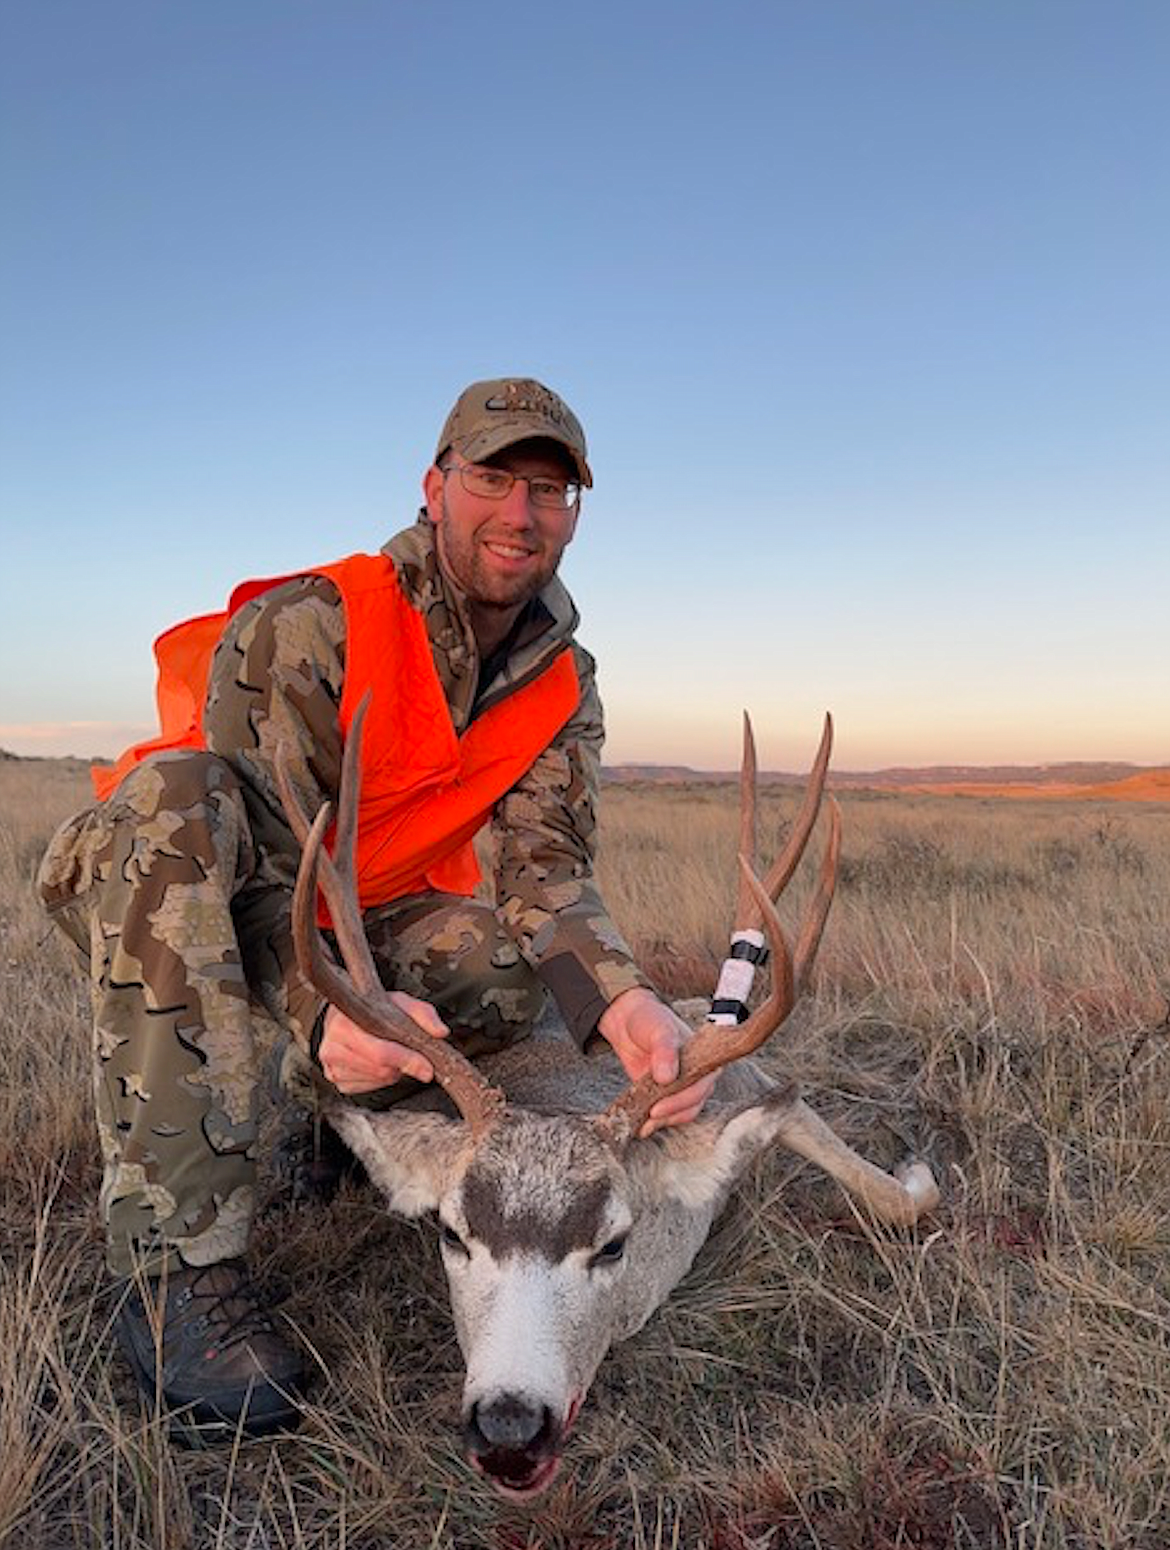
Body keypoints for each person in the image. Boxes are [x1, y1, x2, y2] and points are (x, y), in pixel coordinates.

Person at [37, 376, 714, 1441]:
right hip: (174, 878)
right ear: (435, 485)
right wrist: (318, 1017)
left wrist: (623, 1005)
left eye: (550, 488)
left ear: (574, 515)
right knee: (176, 814)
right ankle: (174, 1266)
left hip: (361, 902)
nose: (521, 512)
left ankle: (334, 1121)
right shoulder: (310, 623)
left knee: (494, 967)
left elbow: (547, 872)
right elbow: (254, 874)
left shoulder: (561, 680)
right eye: (493, 476)